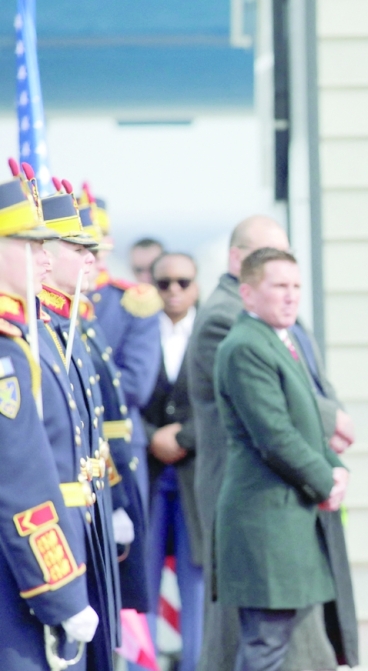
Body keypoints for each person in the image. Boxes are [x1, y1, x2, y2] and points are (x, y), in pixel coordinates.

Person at [189, 216, 358, 671]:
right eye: (278, 282)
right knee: (264, 645)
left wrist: (332, 466)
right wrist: (327, 478)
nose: (289, 294)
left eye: (295, 284)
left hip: (289, 505)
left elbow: (306, 401)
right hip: (264, 510)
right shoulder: (237, 332)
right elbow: (275, 431)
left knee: (282, 641)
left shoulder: (275, 330)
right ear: (245, 277)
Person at [0, 186, 99, 669]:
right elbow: (19, 485)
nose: (47, 256)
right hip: (17, 579)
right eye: (31, 243)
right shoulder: (4, 351)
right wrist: (59, 592)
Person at [36, 193, 123, 671]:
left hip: (85, 509)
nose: (92, 260)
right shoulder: (35, 331)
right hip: (55, 523)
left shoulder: (65, 323)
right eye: (78, 248)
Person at [88, 196, 158, 614]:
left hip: (118, 450)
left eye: (90, 244)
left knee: (129, 569)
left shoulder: (130, 301)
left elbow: (134, 385)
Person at [141, 252, 203, 671]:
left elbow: (222, 405)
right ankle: (141, 664)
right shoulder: (138, 330)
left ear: (196, 285)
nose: (174, 290)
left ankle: (198, 663)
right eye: (164, 283)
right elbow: (120, 399)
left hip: (196, 475)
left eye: (183, 282)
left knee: (194, 582)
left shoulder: (213, 333)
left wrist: (183, 437)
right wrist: (151, 438)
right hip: (146, 474)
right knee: (142, 583)